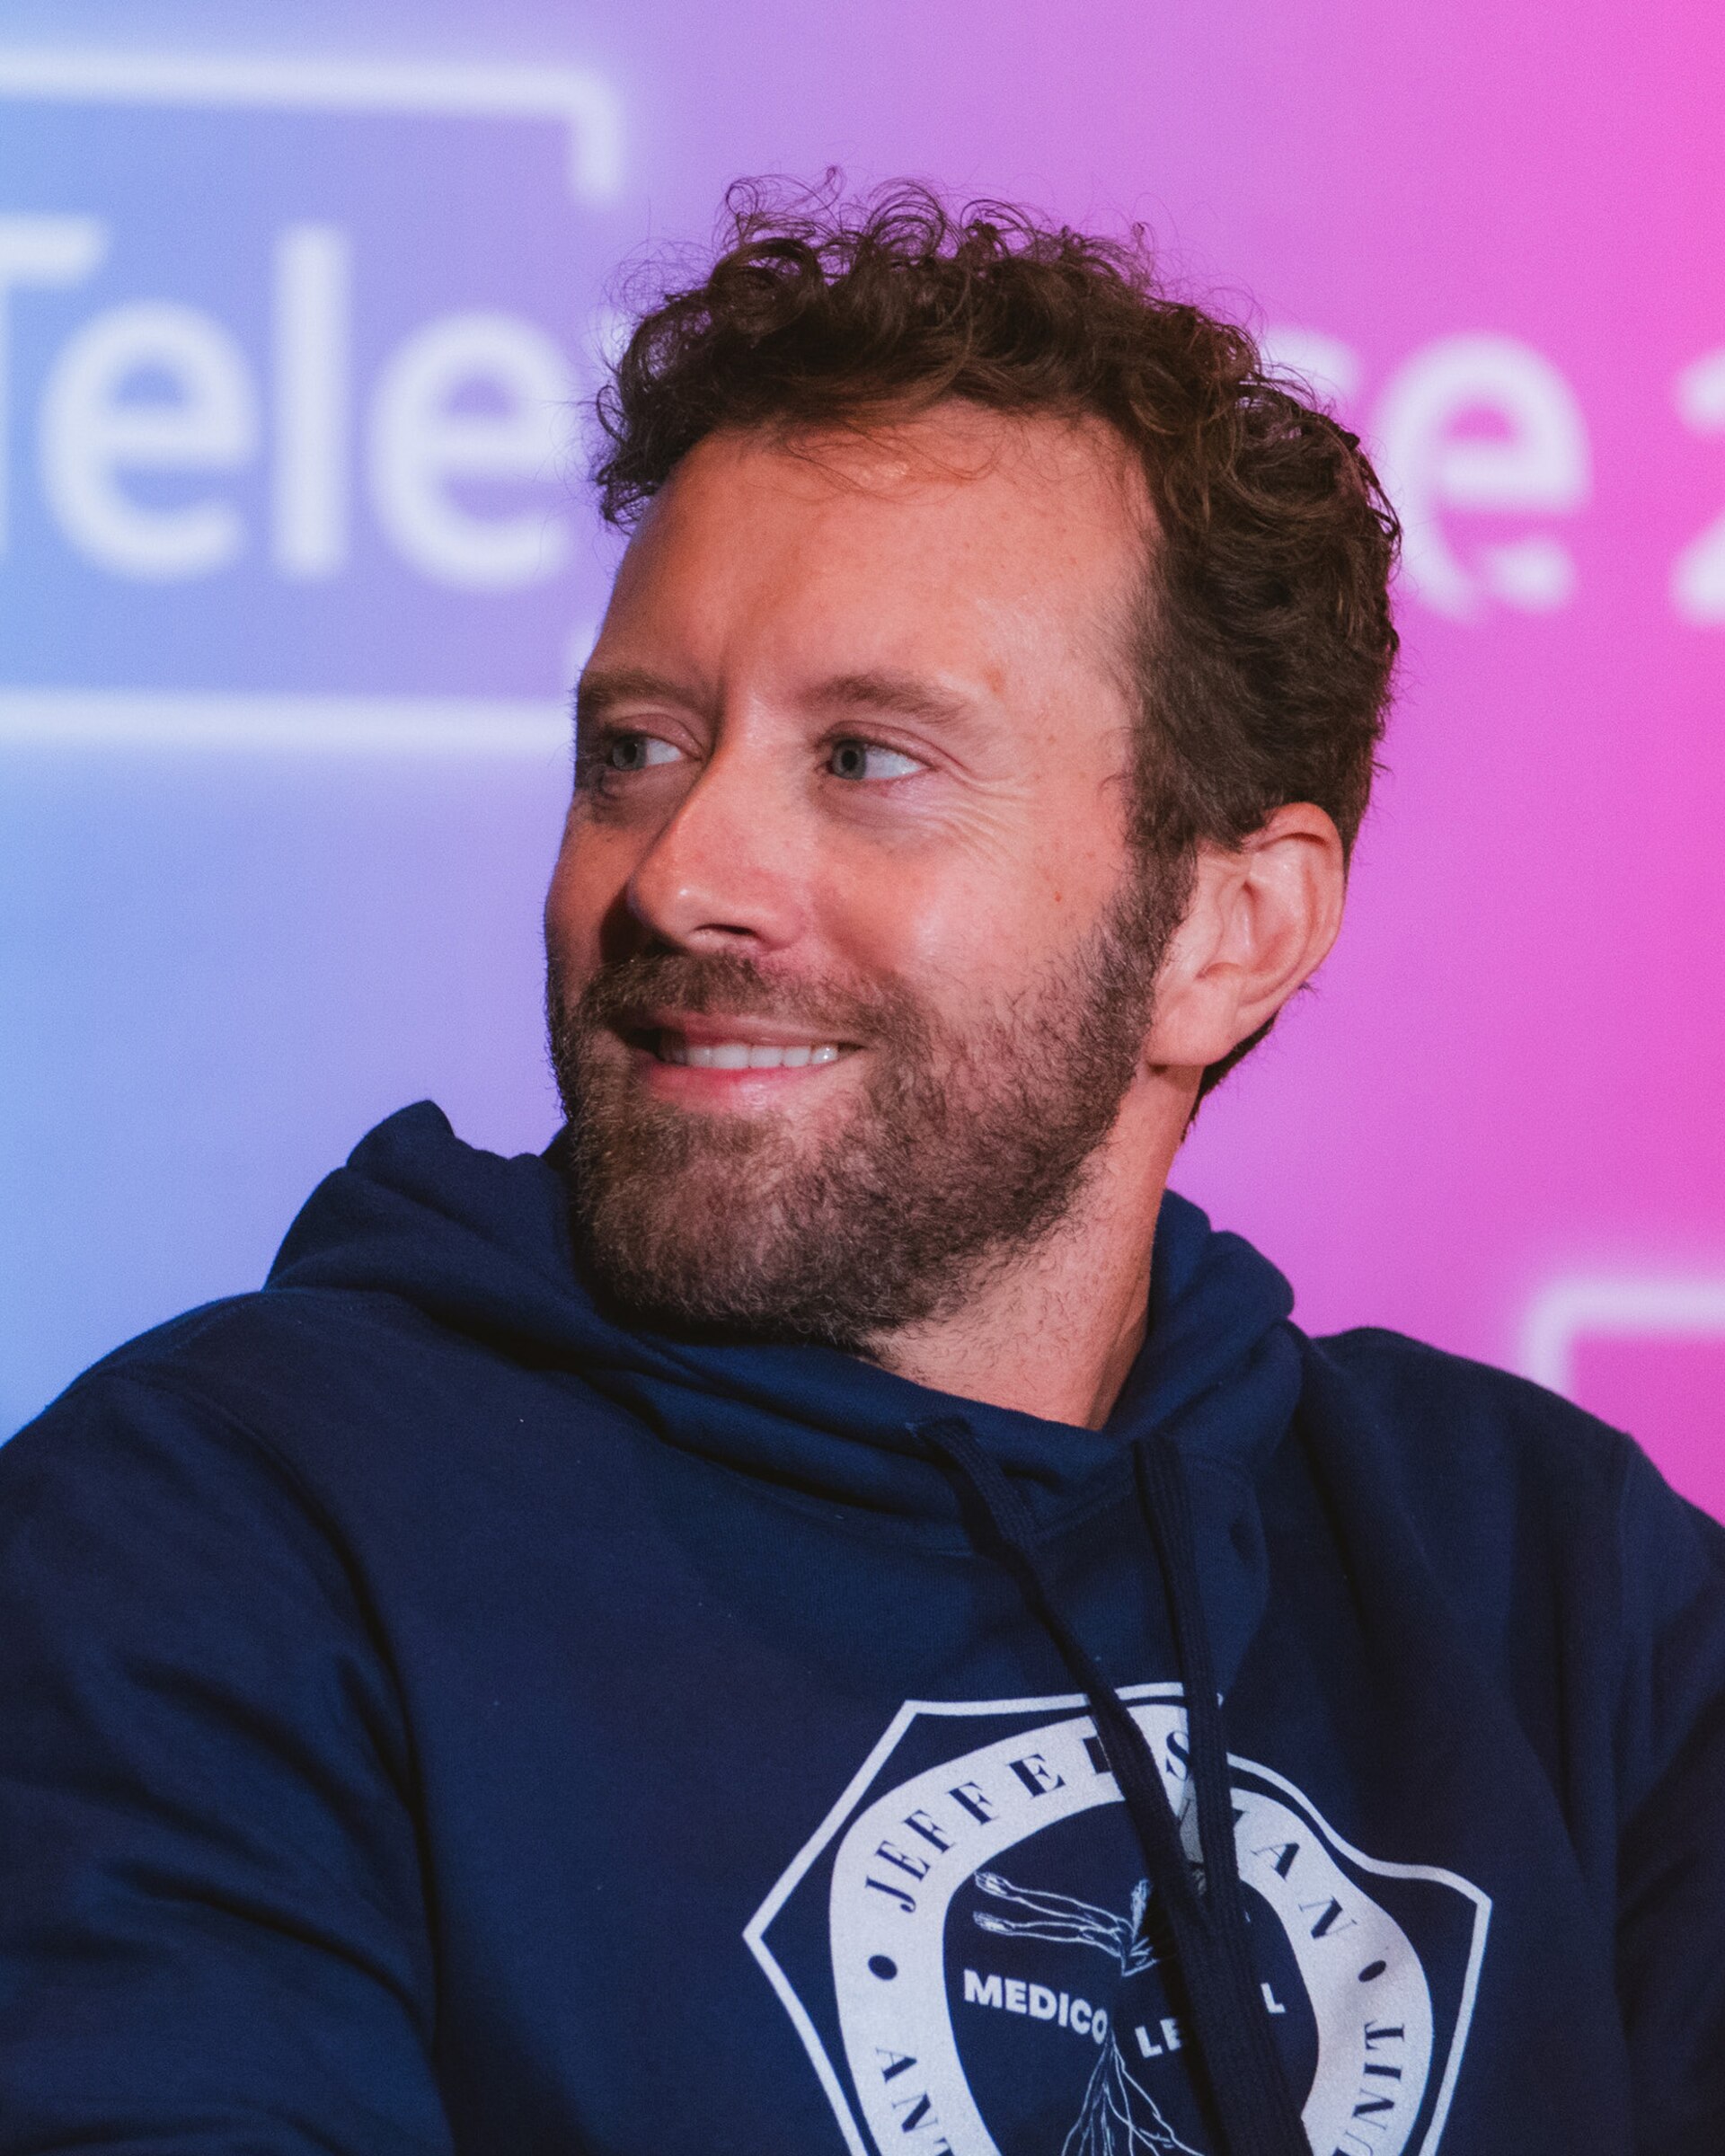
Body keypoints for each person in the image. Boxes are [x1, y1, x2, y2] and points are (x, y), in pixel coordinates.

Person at [0, 182, 1720, 2156]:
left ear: (1224, 931)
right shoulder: (217, 1545)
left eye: (866, 762)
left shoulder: (1561, 1595)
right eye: (637, 748)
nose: (680, 874)